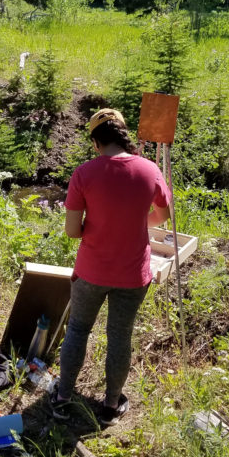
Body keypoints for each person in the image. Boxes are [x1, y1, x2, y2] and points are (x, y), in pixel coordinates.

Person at [50, 108, 171, 426]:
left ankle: (62, 399)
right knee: (120, 335)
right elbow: (163, 214)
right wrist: (136, 222)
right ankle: (110, 406)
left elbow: (73, 231)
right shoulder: (149, 170)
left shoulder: (84, 174)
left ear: (95, 143)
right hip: (132, 275)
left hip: (91, 271)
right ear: (123, 134)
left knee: (77, 330)